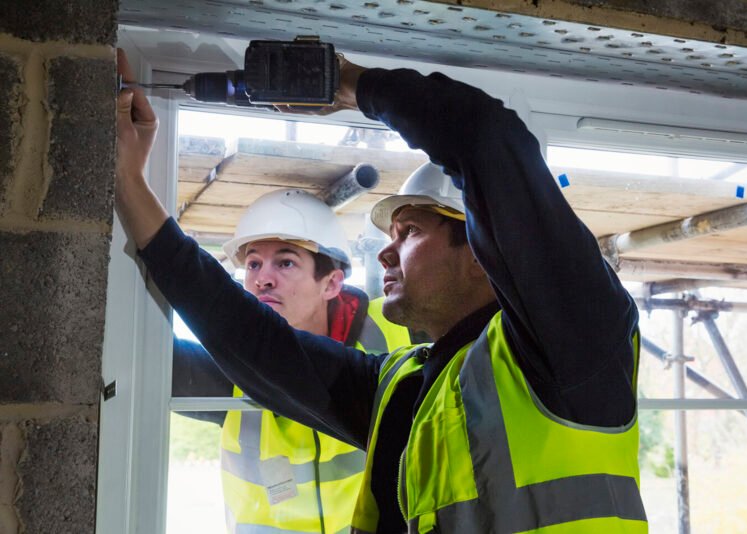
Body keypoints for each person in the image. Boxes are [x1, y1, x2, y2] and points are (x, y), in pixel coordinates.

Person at [116, 47, 647, 533]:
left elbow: (486, 138)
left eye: (410, 232)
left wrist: (347, 84)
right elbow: (252, 340)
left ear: (485, 250)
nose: (387, 253)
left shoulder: (573, 345)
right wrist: (131, 187)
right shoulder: (405, 385)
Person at [172, 189, 415, 533]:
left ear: (331, 283)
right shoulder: (229, 367)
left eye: (285, 262)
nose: (262, 278)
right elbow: (145, 355)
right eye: (253, 263)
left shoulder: (398, 333)